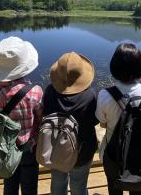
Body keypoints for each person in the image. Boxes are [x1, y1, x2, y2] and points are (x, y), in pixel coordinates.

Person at [96, 43, 141, 195]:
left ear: (114, 66)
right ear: (140, 66)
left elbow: (102, 124)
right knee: (137, 189)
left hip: (113, 155)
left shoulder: (105, 95)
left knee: (114, 187)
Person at [0, 36, 43, 195]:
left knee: (9, 182)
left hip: (1, 146)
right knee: (29, 187)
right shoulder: (34, 92)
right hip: (27, 148)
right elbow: (40, 120)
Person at [42, 52, 99, 195]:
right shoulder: (90, 96)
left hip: (56, 149)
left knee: (57, 182)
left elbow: (45, 114)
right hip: (83, 150)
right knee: (79, 185)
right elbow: (95, 120)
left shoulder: (49, 91)